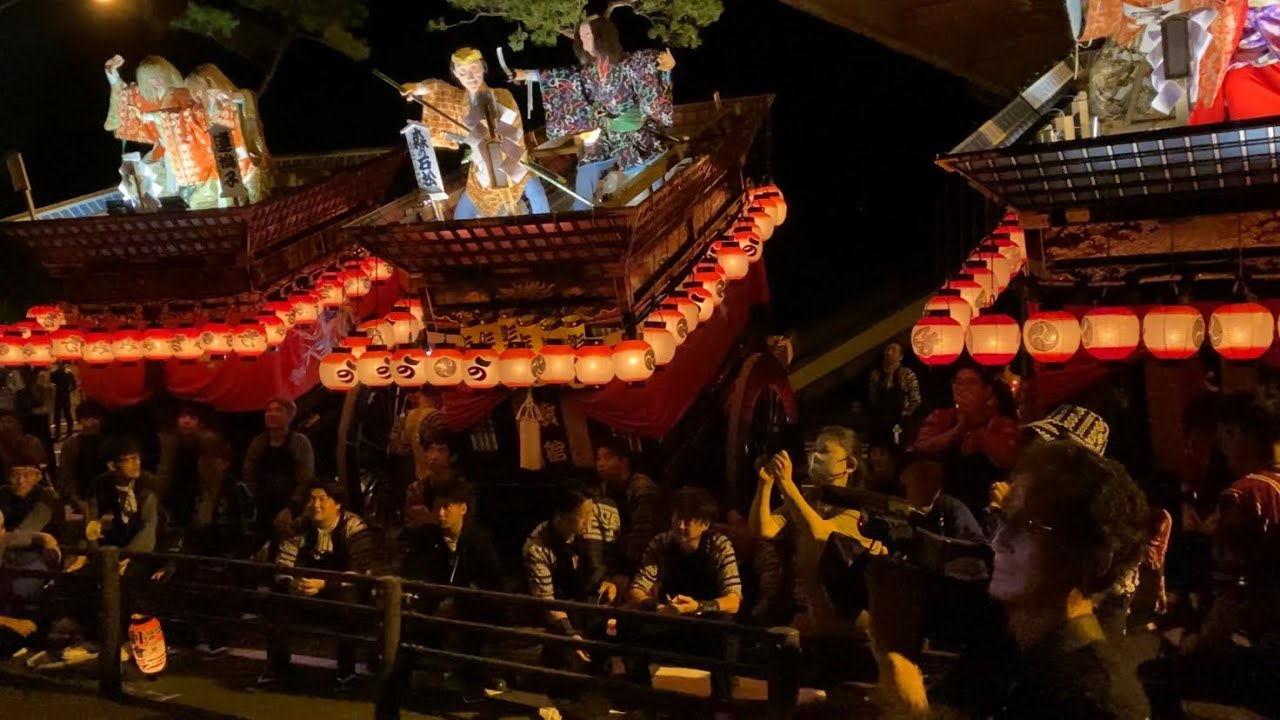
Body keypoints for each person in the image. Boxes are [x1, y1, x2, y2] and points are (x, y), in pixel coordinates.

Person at [870, 440, 1151, 718]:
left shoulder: (1095, 699)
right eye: (1005, 519)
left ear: (1095, 559)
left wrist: (899, 669)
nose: (1000, 540)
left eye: (1029, 526)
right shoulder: (1001, 653)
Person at [514, 15, 676, 209]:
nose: (584, 42)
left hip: (634, 134)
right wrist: (526, 74)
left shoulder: (630, 63)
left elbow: (651, 63)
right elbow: (563, 76)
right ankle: (579, 214)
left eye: (588, 35)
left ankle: (666, 207)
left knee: (647, 178)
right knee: (587, 167)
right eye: (581, 38)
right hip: (608, 133)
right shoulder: (588, 72)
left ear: (602, 35)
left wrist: (667, 67)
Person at [749, 426, 886, 634]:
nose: (815, 456)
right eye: (813, 450)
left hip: (846, 624)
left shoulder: (858, 506)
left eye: (825, 451)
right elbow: (764, 528)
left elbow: (820, 532)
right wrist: (765, 485)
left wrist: (787, 485)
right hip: (809, 613)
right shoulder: (808, 501)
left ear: (849, 464)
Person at [401, 47, 549, 219]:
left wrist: (481, 123)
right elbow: (436, 87)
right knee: (462, 215)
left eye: (474, 69)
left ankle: (547, 231)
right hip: (483, 167)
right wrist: (416, 88)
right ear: (455, 74)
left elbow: (511, 129)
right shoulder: (458, 100)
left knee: (535, 191)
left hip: (510, 159)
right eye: (463, 72)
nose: (470, 77)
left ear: (483, 68)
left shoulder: (501, 94)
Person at [266, 482, 377, 688]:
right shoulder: (300, 526)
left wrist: (325, 584)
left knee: (349, 602)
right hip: (304, 587)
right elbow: (283, 563)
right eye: (312, 499)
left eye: (322, 499)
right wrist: (291, 583)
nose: (315, 505)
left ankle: (346, 672)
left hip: (340, 590)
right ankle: (278, 668)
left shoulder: (354, 527)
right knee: (276, 599)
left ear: (337, 504)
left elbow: (360, 572)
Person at [103, 55, 220, 208]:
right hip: (161, 151)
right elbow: (124, 96)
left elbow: (189, 115)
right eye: (151, 78)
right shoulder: (145, 99)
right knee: (144, 186)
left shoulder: (182, 93)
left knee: (192, 193)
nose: (157, 80)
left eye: (159, 75)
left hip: (186, 151)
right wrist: (112, 74)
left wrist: (150, 116)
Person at [521, 485, 617, 670]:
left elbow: (602, 564)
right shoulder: (537, 548)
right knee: (571, 661)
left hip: (590, 609)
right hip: (558, 616)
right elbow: (547, 603)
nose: (588, 521)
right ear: (561, 516)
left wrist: (608, 581)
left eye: (590, 514)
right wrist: (571, 634)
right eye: (583, 515)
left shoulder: (585, 532)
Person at [912, 364, 1020, 516]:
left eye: (971, 383)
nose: (962, 388)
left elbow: (1009, 459)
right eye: (958, 382)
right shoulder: (943, 416)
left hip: (989, 511)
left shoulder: (1000, 422)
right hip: (949, 507)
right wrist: (958, 429)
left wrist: (981, 439)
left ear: (987, 390)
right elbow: (921, 446)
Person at [627, 486, 742, 618]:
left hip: (708, 621)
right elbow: (636, 589)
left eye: (687, 521)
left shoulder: (719, 545)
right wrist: (658, 608)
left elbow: (734, 601)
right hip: (669, 616)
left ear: (705, 524)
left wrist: (697, 606)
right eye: (677, 518)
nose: (680, 526)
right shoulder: (661, 543)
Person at [184, 64, 271, 204]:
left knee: (258, 197)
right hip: (224, 158)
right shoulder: (203, 111)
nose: (198, 97)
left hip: (244, 156)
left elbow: (244, 101)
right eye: (195, 94)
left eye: (199, 92)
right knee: (230, 202)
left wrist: (230, 97)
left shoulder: (238, 97)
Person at [242, 397, 315, 545]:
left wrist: (291, 507)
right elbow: (248, 472)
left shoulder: (299, 442)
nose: (271, 414)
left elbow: (306, 478)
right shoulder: (259, 441)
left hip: (291, 504)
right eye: (269, 410)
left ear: (290, 416)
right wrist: (255, 498)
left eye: (278, 410)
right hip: (262, 504)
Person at [155, 406, 226, 539]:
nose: (186, 421)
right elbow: (164, 471)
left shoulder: (208, 441)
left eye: (192, 418)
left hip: (199, 493)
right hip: (177, 490)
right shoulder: (171, 440)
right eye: (183, 417)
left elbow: (212, 482)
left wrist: (206, 510)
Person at [594, 439, 664, 573]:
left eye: (607, 458)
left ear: (624, 461)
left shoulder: (643, 489)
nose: (600, 464)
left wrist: (625, 571)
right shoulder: (603, 491)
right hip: (614, 559)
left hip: (646, 563)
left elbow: (642, 535)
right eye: (598, 459)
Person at [55, 401, 109, 519]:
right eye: (86, 419)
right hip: (82, 497)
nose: (91, 423)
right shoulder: (73, 443)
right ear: (80, 421)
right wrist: (76, 499)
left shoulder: (108, 441)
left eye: (94, 418)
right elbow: (66, 473)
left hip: (108, 498)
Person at [867, 341, 921, 446]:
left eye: (893, 350)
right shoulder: (876, 375)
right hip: (881, 420)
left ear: (900, 357)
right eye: (887, 350)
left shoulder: (907, 374)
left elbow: (915, 398)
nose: (889, 353)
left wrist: (906, 413)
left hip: (901, 420)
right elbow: (873, 397)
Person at [49, 361, 76, 440]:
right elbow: (51, 383)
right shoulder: (54, 373)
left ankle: (69, 431)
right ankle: (58, 433)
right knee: (58, 415)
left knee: (67, 414)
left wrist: (70, 389)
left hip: (65, 395)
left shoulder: (68, 374)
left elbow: (73, 384)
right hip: (58, 395)